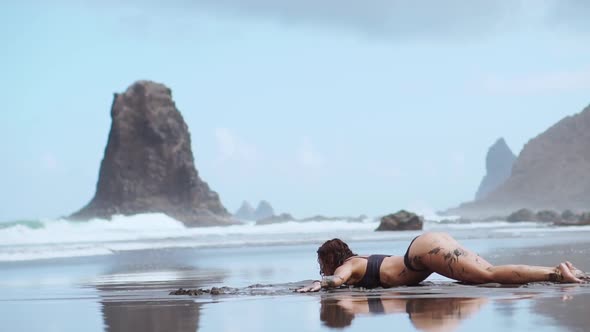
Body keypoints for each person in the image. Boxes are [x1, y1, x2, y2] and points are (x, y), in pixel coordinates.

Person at [297, 232, 587, 292]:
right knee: (488, 272)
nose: (321, 268)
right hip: (428, 246)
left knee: (488, 275)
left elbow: (338, 279)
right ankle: (562, 271)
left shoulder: (346, 266)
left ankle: (557, 274)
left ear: (330, 258)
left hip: (424, 253)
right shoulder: (360, 261)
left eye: (322, 263)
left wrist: (321, 283)